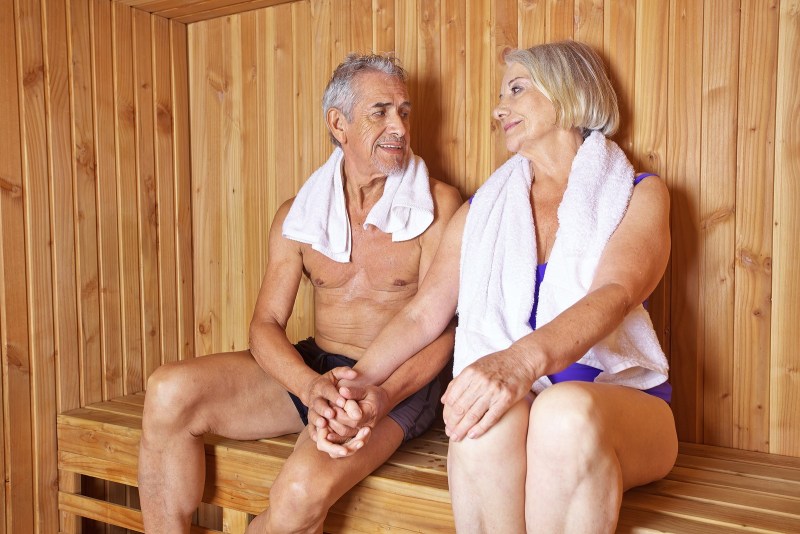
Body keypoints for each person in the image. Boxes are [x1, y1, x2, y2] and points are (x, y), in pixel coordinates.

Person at [315, 41, 678, 533]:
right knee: (478, 427)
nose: (498, 107)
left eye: (516, 88)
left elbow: (614, 294)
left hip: (625, 406)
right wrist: (359, 383)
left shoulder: (637, 193)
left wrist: (517, 363)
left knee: (562, 413)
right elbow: (425, 314)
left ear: (568, 91)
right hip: (528, 402)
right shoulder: (484, 211)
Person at [137, 53, 462, 534]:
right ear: (339, 123)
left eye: (404, 112)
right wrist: (310, 388)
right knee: (167, 390)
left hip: (395, 386)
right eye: (381, 111)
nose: (399, 126)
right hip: (317, 371)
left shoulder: (438, 206)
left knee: (297, 492)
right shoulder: (301, 215)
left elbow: (444, 330)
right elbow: (265, 325)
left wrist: (378, 393)